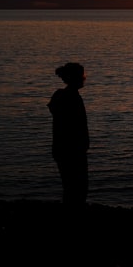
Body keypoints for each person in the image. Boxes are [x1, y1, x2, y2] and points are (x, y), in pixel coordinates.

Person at [48, 62, 89, 209]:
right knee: (77, 187)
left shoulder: (63, 96)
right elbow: (72, 126)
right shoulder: (69, 97)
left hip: (64, 149)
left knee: (71, 186)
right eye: (82, 75)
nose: (84, 78)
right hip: (72, 150)